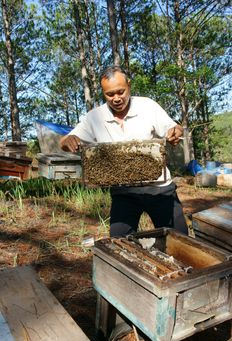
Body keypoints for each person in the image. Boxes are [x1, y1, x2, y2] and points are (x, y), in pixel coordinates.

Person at [60, 66, 188, 237]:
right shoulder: (94, 117)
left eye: (120, 92)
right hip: (124, 193)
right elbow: (64, 141)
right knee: (119, 245)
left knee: (179, 240)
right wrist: (67, 141)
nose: (116, 98)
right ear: (103, 93)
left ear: (129, 85)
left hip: (160, 189)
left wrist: (176, 132)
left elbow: (174, 127)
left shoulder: (147, 106)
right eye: (110, 94)